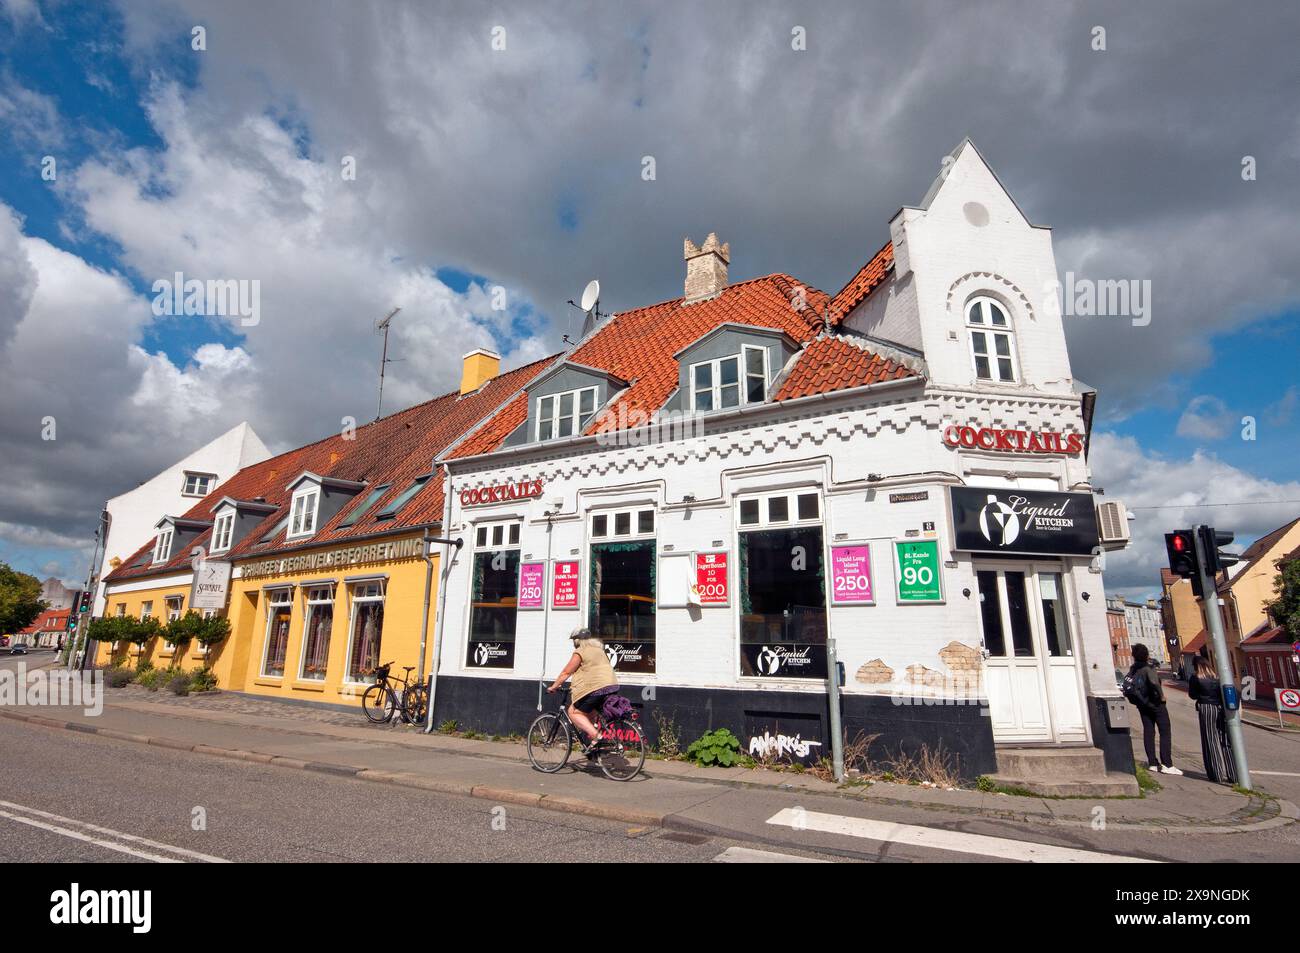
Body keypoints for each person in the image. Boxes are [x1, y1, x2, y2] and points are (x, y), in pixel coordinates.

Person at [548, 628, 619, 757]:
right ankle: (593, 748)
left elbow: (566, 672)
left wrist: (554, 686)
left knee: (573, 712)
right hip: (611, 685)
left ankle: (596, 737)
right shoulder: (599, 650)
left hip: (596, 688)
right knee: (588, 715)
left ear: (577, 640)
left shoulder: (580, 651)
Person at [1128, 643, 1183, 775]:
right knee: (1164, 731)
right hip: (1155, 703)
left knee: (1148, 731)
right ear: (1146, 654)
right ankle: (1167, 764)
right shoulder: (1148, 668)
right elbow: (1153, 682)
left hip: (1142, 704)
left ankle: (1152, 762)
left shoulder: (1133, 668)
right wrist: (1162, 696)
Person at [1188, 655, 1236, 784]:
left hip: (1206, 707)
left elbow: (1192, 695)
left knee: (1210, 739)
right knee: (1225, 740)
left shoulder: (1196, 677)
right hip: (1220, 708)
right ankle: (1233, 774)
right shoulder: (1217, 676)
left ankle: (1216, 773)